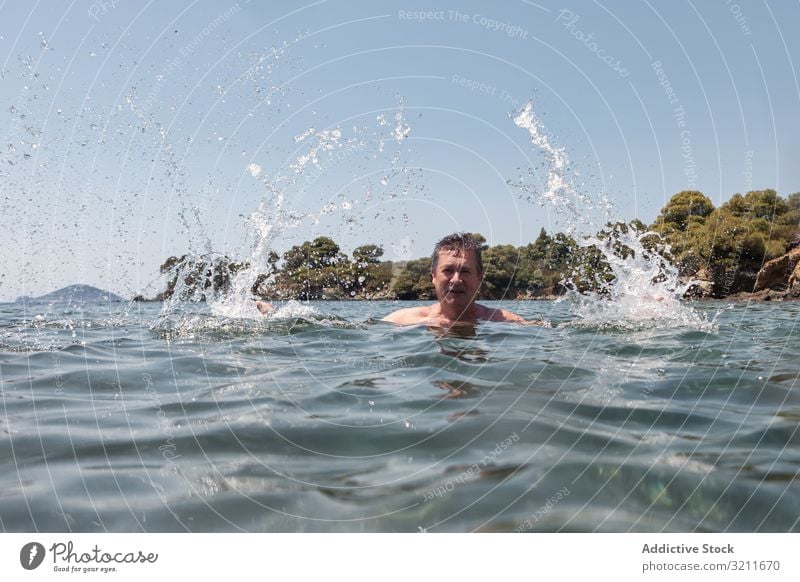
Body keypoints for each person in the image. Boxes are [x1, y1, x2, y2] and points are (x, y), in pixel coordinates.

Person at [383, 233, 546, 326]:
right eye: (448, 270)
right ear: (433, 277)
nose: (456, 279)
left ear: (479, 278)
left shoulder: (505, 322)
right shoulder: (403, 320)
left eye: (465, 271)